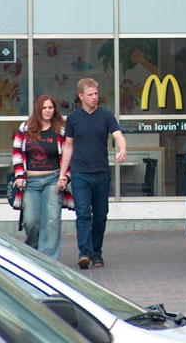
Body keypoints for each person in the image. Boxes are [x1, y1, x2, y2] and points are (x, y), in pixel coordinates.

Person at [59, 78, 127, 269]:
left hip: (102, 173)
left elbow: (118, 135)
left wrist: (122, 149)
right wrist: (63, 174)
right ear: (81, 96)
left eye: (96, 93)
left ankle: (96, 251)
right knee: (82, 214)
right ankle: (84, 253)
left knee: (100, 215)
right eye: (90, 94)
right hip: (80, 173)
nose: (95, 97)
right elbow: (69, 146)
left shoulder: (106, 116)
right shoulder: (73, 118)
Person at [12, 95, 71, 259]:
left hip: (53, 179)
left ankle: (48, 259)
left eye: (50, 108)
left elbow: (68, 154)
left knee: (52, 220)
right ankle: (34, 253)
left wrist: (64, 177)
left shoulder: (60, 130)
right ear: (38, 109)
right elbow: (17, 151)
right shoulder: (25, 128)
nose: (47, 111)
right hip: (30, 182)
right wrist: (19, 175)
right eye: (44, 108)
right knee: (31, 221)